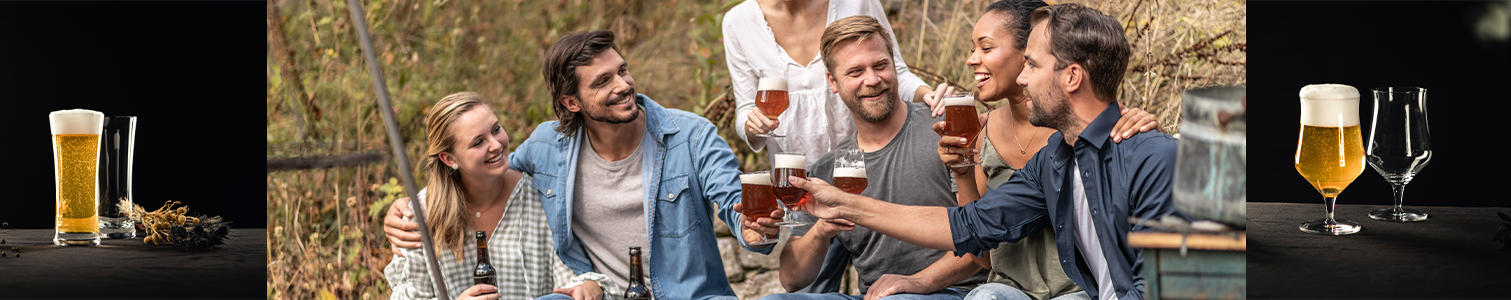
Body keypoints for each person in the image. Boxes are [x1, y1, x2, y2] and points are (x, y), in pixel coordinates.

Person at [787, 4, 1183, 300]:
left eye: (1031, 64)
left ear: (1072, 77)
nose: (1023, 78)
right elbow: (969, 226)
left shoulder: (1152, 158)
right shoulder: (1056, 160)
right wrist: (841, 205)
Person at [386, 30, 774, 300]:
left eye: (622, 70)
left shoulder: (691, 136)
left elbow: (735, 202)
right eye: (602, 81)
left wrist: (753, 228)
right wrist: (404, 208)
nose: (623, 85)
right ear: (572, 102)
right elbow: (485, 176)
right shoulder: (546, 148)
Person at [754, 15, 989, 300]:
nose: (873, 80)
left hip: (953, 291)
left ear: (895, 67)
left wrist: (917, 282)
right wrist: (822, 230)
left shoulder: (945, 131)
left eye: (880, 66)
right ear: (833, 81)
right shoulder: (828, 170)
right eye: (855, 72)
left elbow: (986, 235)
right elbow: (791, 280)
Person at [941, 1, 1157, 300]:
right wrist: (963, 173)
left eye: (986, 48)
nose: (971, 60)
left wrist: (1138, 127)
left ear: (1027, 52)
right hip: (1008, 289)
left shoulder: (1074, 127)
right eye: (972, 48)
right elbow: (979, 244)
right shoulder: (983, 130)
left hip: (1078, 290)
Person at [383, 92, 600, 300]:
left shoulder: (540, 196)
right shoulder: (419, 216)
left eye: (496, 130)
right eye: (478, 142)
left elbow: (569, 279)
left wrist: (586, 286)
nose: (496, 145)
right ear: (449, 159)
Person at [725, 0, 945, 164]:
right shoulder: (738, 22)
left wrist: (927, 95)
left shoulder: (856, 3)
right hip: (795, 175)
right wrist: (753, 126)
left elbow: (892, 70)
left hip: (865, 160)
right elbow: (746, 109)